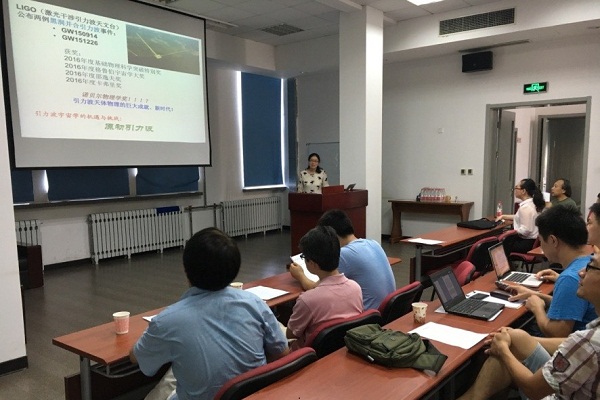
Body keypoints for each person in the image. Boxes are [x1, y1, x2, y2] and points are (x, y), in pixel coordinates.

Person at [130, 228, 289, 400]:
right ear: (235, 268)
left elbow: (137, 357)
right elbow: (281, 354)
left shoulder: (167, 321)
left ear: (186, 270)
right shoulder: (254, 303)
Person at [457, 253, 600, 400]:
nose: (581, 272)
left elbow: (534, 390)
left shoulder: (589, 342)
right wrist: (518, 339)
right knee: (515, 337)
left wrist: (503, 350)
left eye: (590, 267)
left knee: (504, 352)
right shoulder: (590, 335)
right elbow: (570, 342)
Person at [508, 206, 596, 337]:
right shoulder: (589, 262)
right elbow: (571, 306)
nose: (541, 246)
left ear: (553, 240)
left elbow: (557, 333)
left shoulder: (570, 278)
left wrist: (537, 308)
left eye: (541, 241)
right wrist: (534, 295)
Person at [289, 209, 395, 310]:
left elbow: (315, 288)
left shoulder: (344, 254)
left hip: (370, 316)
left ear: (332, 236)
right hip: (389, 311)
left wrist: (300, 275)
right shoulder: (373, 243)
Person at [285, 225, 363, 349]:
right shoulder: (356, 288)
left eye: (304, 257)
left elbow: (291, 334)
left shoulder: (307, 300)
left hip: (310, 355)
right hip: (343, 349)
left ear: (312, 263)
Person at [496, 178, 546, 253]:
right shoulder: (532, 203)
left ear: (523, 191)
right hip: (532, 242)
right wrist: (503, 216)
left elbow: (526, 230)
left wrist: (510, 232)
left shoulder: (525, 208)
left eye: (516, 187)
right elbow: (520, 217)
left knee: (498, 246)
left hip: (526, 243)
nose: (514, 190)